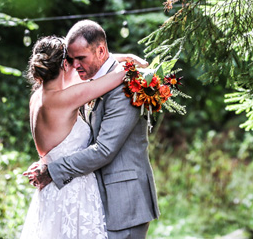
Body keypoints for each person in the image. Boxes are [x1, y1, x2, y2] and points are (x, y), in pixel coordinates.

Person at [24, 20, 160, 239]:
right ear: (64, 65)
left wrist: (52, 166)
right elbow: (107, 72)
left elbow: (105, 149)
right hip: (76, 194)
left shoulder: (124, 88)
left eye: (81, 58)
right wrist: (126, 61)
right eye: (72, 59)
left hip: (122, 200)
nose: (76, 66)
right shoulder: (76, 91)